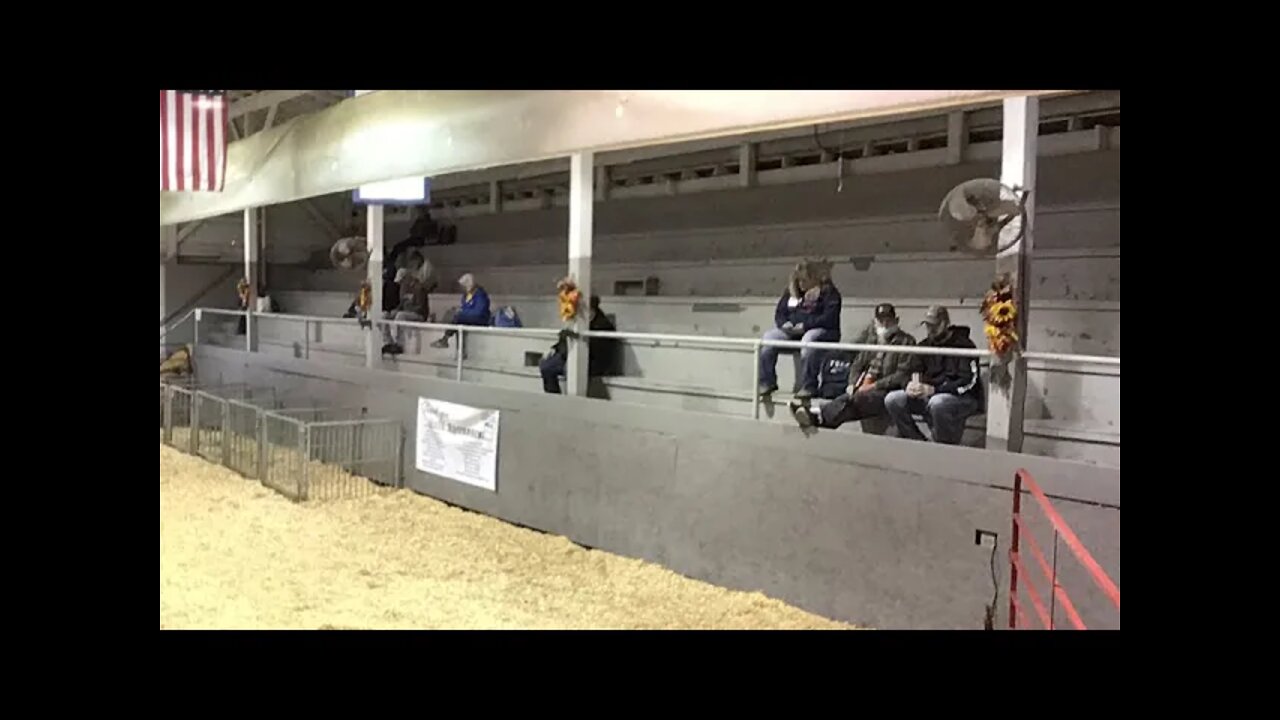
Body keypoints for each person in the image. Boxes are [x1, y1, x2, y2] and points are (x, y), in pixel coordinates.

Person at [791, 303, 916, 433]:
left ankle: (815, 414)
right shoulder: (872, 339)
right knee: (851, 402)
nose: (884, 324)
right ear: (875, 322)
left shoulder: (906, 342)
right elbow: (857, 364)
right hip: (863, 388)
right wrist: (852, 383)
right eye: (881, 320)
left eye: (888, 320)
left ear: (896, 320)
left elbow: (901, 375)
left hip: (885, 391)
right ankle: (818, 420)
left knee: (853, 400)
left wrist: (874, 385)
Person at [884, 305, 983, 445]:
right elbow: (909, 370)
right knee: (893, 399)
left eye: (934, 326)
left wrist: (935, 390)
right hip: (930, 394)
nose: (930, 330)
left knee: (938, 402)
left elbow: (969, 382)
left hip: (961, 397)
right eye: (928, 326)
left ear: (945, 323)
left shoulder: (964, 346)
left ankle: (943, 445)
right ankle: (917, 442)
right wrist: (909, 384)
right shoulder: (924, 346)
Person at [758, 261, 842, 400]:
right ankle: (767, 382)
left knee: (808, 340)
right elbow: (780, 313)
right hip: (794, 331)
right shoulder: (791, 292)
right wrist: (785, 324)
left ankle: (809, 386)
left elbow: (828, 318)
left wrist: (805, 325)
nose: (801, 284)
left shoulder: (829, 293)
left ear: (814, 279)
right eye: (798, 281)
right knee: (769, 338)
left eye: (804, 280)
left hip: (822, 331)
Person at [540, 295, 619, 394]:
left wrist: (578, 340)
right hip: (571, 356)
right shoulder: (577, 321)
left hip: (593, 361)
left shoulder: (603, 325)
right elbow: (564, 338)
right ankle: (554, 396)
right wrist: (555, 349)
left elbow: (598, 350)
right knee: (546, 366)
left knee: (571, 369)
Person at [380, 250, 431, 356]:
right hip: (406, 312)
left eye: (402, 280)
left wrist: (405, 310)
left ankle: (399, 344)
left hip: (419, 314)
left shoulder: (419, 288)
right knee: (384, 315)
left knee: (400, 315)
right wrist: (394, 310)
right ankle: (388, 341)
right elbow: (402, 303)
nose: (401, 283)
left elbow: (421, 307)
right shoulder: (403, 288)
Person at [432, 273, 491, 349]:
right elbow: (465, 307)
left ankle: (445, 339)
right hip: (469, 318)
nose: (461, 288)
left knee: (457, 318)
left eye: (463, 286)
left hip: (481, 319)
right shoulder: (467, 295)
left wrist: (462, 312)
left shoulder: (480, 295)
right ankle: (458, 350)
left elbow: (479, 312)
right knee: (456, 320)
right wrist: (459, 310)